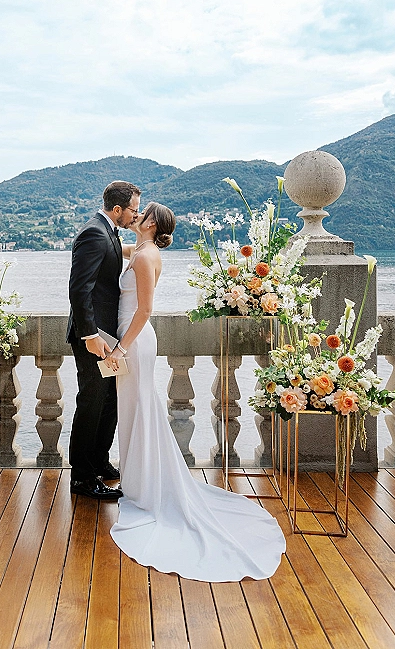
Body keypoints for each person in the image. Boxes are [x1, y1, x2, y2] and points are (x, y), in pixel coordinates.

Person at [104, 202, 286, 582]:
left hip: (133, 340)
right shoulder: (140, 250)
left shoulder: (144, 257)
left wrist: (121, 347)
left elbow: (144, 310)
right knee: (137, 411)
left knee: (139, 410)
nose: (134, 215)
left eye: (141, 213)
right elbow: (113, 245)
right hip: (131, 339)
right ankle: (140, 481)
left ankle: (146, 487)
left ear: (151, 223)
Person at [67, 180, 141, 500]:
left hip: (107, 336)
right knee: (91, 403)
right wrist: (90, 335)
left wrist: (147, 237)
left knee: (108, 402)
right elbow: (79, 289)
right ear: (117, 209)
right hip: (94, 337)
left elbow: (116, 257)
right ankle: (82, 478)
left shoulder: (108, 231)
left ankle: (98, 460)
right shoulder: (93, 233)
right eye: (133, 210)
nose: (135, 215)